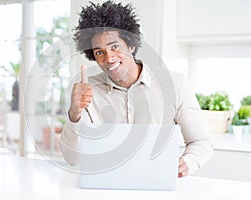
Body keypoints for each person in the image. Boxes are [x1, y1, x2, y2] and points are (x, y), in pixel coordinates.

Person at [60, 0, 213, 177]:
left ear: (131, 45)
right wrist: (74, 113)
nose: (109, 58)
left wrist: (187, 162)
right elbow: (72, 158)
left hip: (157, 181)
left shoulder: (175, 85)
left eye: (115, 46)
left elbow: (201, 141)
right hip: (106, 184)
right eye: (99, 52)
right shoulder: (88, 91)